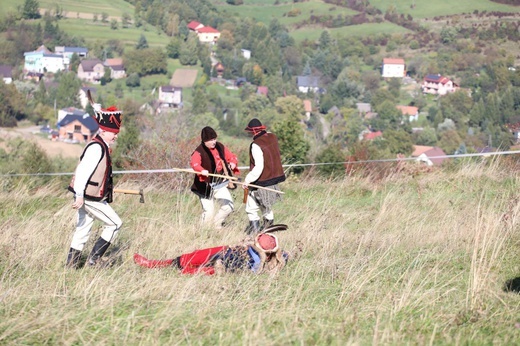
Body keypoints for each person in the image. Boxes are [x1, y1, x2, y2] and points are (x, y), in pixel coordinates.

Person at [65, 103, 123, 268]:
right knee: (115, 223)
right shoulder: (96, 148)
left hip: (88, 195)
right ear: (104, 131)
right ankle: (93, 261)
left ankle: (72, 266)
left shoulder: (101, 144)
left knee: (83, 229)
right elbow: (82, 172)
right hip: (89, 196)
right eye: (114, 133)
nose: (116, 136)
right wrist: (80, 195)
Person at [133, 225, 289, 275]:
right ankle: (154, 263)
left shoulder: (260, 263)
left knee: (191, 270)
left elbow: (256, 269)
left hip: (225, 267)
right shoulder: (273, 254)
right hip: (223, 251)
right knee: (188, 258)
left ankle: (156, 265)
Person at [190, 126, 239, 229]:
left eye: (215, 139)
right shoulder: (199, 151)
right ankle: (202, 231)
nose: (214, 142)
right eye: (211, 140)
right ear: (205, 141)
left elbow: (232, 157)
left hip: (220, 184)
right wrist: (202, 170)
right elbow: (194, 164)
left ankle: (216, 225)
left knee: (228, 207)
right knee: (209, 212)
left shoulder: (220, 147)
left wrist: (233, 163)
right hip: (204, 186)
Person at [242, 118, 286, 234]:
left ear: (254, 132)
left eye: (251, 132)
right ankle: (269, 234)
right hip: (273, 181)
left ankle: (255, 236)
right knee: (266, 208)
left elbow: (258, 167)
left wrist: (247, 180)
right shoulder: (272, 137)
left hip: (261, 182)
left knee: (251, 209)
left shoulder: (256, 145)